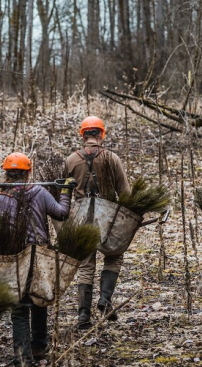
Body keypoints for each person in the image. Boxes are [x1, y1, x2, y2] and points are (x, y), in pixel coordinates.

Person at [0, 152, 74, 367]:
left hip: (14, 257)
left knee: (19, 307)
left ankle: (23, 359)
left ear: (6, 174)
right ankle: (39, 349)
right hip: (39, 255)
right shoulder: (40, 192)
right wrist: (66, 191)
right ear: (29, 172)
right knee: (39, 298)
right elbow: (62, 213)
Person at [64, 116, 130, 329]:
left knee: (86, 264)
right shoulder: (112, 158)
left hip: (81, 216)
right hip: (108, 216)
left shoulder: (71, 160)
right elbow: (125, 193)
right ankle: (105, 300)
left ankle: (83, 316)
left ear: (83, 135)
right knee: (114, 256)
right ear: (102, 134)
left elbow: (63, 192)